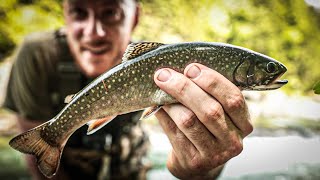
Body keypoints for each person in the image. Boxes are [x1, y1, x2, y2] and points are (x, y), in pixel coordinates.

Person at [2, 0, 253, 179]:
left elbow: (197, 167)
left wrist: (202, 171)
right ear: (65, 13)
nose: (95, 32)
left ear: (134, 18)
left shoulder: (163, 64)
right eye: (79, 12)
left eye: (110, 12)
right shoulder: (37, 54)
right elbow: (37, 162)